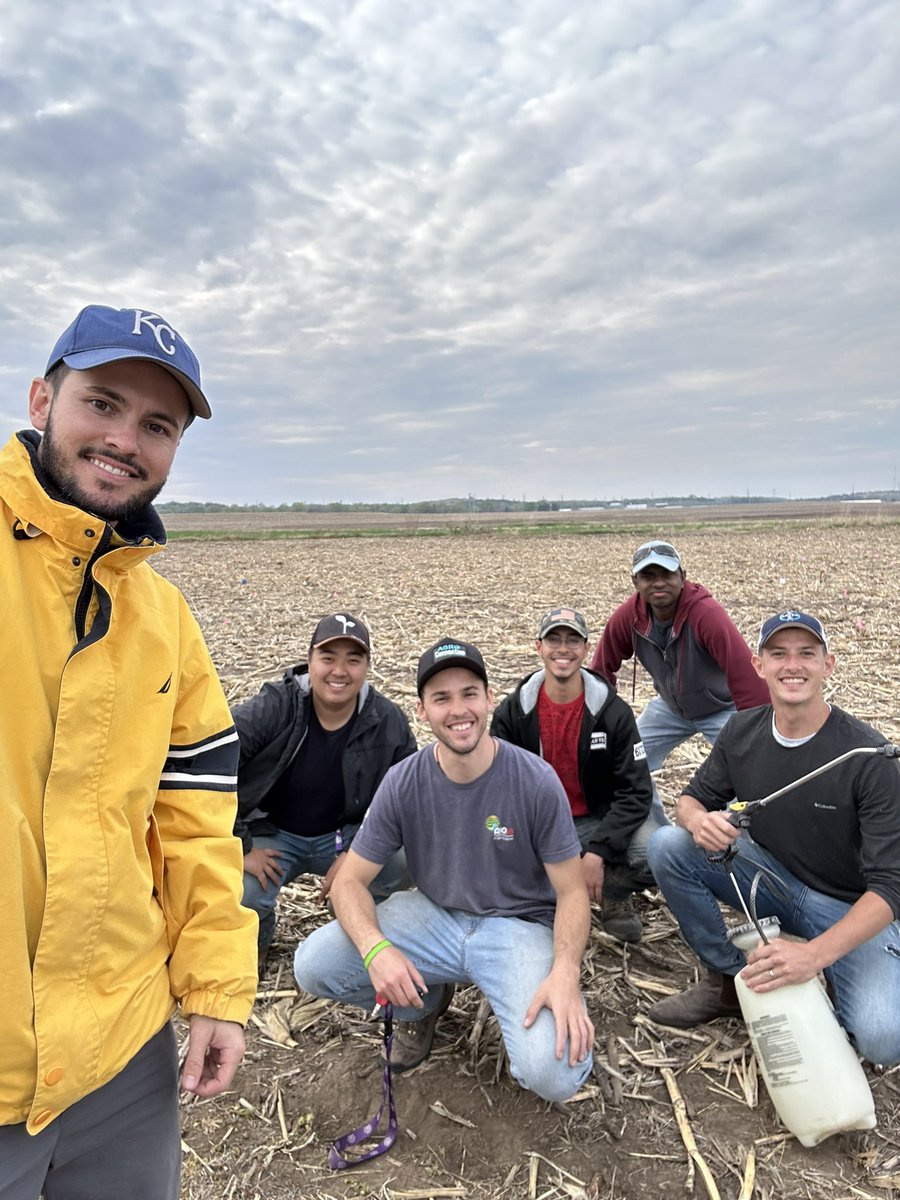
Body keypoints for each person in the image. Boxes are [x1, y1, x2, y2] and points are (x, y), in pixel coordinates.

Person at [0, 305, 257, 1199]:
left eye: (156, 425)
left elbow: (196, 821)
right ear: (41, 398)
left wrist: (218, 987)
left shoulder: (166, 623)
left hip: (121, 1055)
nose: (124, 440)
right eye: (102, 404)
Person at [294, 638, 594, 1101]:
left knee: (553, 1076)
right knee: (314, 965)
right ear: (422, 711)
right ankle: (423, 1003)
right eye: (442, 698)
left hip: (517, 929)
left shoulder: (534, 780)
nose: (459, 710)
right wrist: (376, 951)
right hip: (432, 918)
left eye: (469, 693)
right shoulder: (404, 781)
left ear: (489, 699)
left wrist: (566, 972)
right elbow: (349, 881)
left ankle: (516, 991)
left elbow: (573, 893)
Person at [646, 610, 900, 1068]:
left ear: (829, 664)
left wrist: (814, 957)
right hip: (773, 882)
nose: (793, 665)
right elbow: (690, 800)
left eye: (807, 653)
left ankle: (833, 971)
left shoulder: (869, 756)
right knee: (668, 845)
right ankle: (730, 980)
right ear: (758, 665)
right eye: (778, 653)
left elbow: (890, 889)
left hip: (849, 907)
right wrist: (697, 820)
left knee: (883, 1039)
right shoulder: (741, 731)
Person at [234, 612, 417, 964]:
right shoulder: (276, 706)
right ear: (309, 660)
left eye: (353, 659)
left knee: (404, 859)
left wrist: (362, 850)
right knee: (241, 892)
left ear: (367, 668)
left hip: (343, 837)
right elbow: (217, 761)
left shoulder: (386, 720)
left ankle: (354, 923)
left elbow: (409, 797)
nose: (339, 671)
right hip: (272, 835)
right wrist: (240, 844)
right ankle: (252, 944)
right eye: (328, 657)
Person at [492, 606, 654, 943]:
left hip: (593, 822)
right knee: (487, 842)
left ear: (585, 648)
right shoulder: (513, 712)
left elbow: (636, 791)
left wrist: (599, 851)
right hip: (537, 824)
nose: (563, 649)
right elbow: (497, 786)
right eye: (554, 639)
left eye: (572, 640)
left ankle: (613, 892)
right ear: (539, 647)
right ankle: (542, 893)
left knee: (657, 850)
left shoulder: (612, 713)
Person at [592, 540, 769, 819]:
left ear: (682, 576)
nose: (658, 583)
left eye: (666, 574)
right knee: (625, 763)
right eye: (648, 576)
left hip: (721, 708)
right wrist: (601, 721)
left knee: (745, 773)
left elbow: (745, 675)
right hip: (670, 709)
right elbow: (601, 669)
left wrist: (755, 732)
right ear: (635, 581)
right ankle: (654, 836)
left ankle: (734, 844)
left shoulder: (706, 615)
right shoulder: (630, 616)